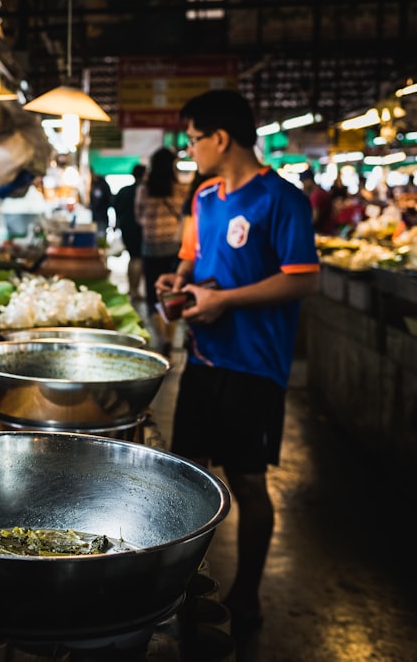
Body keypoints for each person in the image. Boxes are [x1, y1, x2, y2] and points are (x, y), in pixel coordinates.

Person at [156, 89, 319, 631]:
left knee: (248, 482)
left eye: (193, 140)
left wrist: (225, 300)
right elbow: (190, 261)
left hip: (255, 366)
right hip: (204, 360)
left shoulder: (282, 199)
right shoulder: (204, 198)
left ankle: (247, 593)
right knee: (188, 477)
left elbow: (303, 279)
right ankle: (181, 585)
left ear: (220, 138)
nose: (190, 150)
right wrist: (176, 286)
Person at [136, 147, 186, 320]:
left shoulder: (144, 189)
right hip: (173, 247)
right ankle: (170, 336)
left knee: (153, 292)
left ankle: (161, 336)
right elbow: (183, 216)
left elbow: (139, 216)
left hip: (150, 247)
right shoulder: (180, 189)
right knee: (172, 293)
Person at [111, 163, 146, 301]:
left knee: (132, 258)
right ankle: (134, 290)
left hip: (126, 228)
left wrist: (116, 225)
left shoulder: (124, 190)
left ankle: (132, 289)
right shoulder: (144, 191)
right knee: (137, 259)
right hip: (139, 229)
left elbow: (115, 209)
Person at [88, 167, 112, 238]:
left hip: (101, 219)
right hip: (95, 219)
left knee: (100, 240)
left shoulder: (101, 184)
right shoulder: (93, 184)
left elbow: (100, 202)